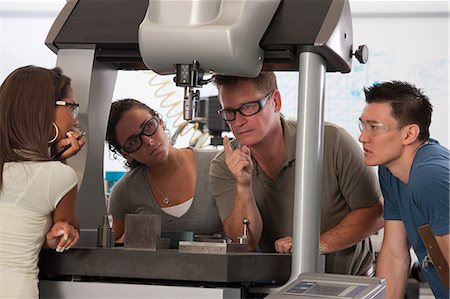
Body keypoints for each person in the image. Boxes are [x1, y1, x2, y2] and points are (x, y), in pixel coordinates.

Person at [209, 71, 384, 275]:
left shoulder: (331, 142)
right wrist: (243, 187)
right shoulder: (224, 166)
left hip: (348, 283)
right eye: (230, 112)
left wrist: (314, 246)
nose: (238, 122)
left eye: (248, 107)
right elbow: (245, 243)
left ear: (275, 101)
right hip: (276, 286)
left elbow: (375, 213)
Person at [0, 65, 86, 298]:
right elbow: (65, 233)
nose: (75, 121)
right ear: (43, 110)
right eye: (71, 108)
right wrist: (59, 161)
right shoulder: (58, 176)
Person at [358, 81, 449, 298]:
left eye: (375, 127)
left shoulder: (430, 176)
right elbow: (394, 254)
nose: (363, 137)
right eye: (363, 125)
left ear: (409, 134)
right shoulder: (391, 171)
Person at [106, 98, 223, 241]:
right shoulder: (125, 192)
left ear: (160, 121)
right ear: (126, 154)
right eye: (133, 141)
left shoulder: (217, 165)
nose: (149, 141)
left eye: (148, 126)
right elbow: (116, 250)